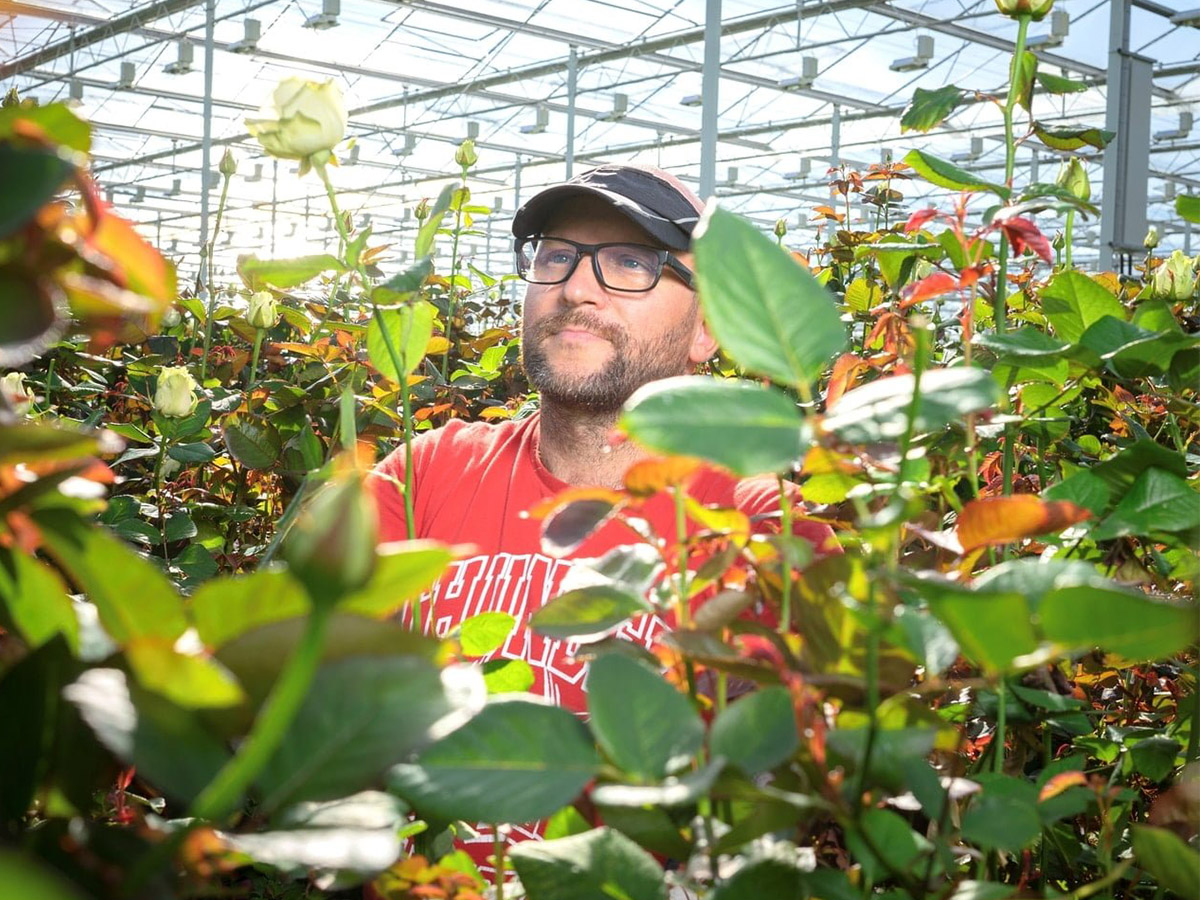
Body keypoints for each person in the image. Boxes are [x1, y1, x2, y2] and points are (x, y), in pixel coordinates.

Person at [371, 163, 834, 703]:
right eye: (558, 255)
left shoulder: (769, 533)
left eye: (631, 261)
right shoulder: (425, 474)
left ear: (706, 328)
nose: (576, 288)